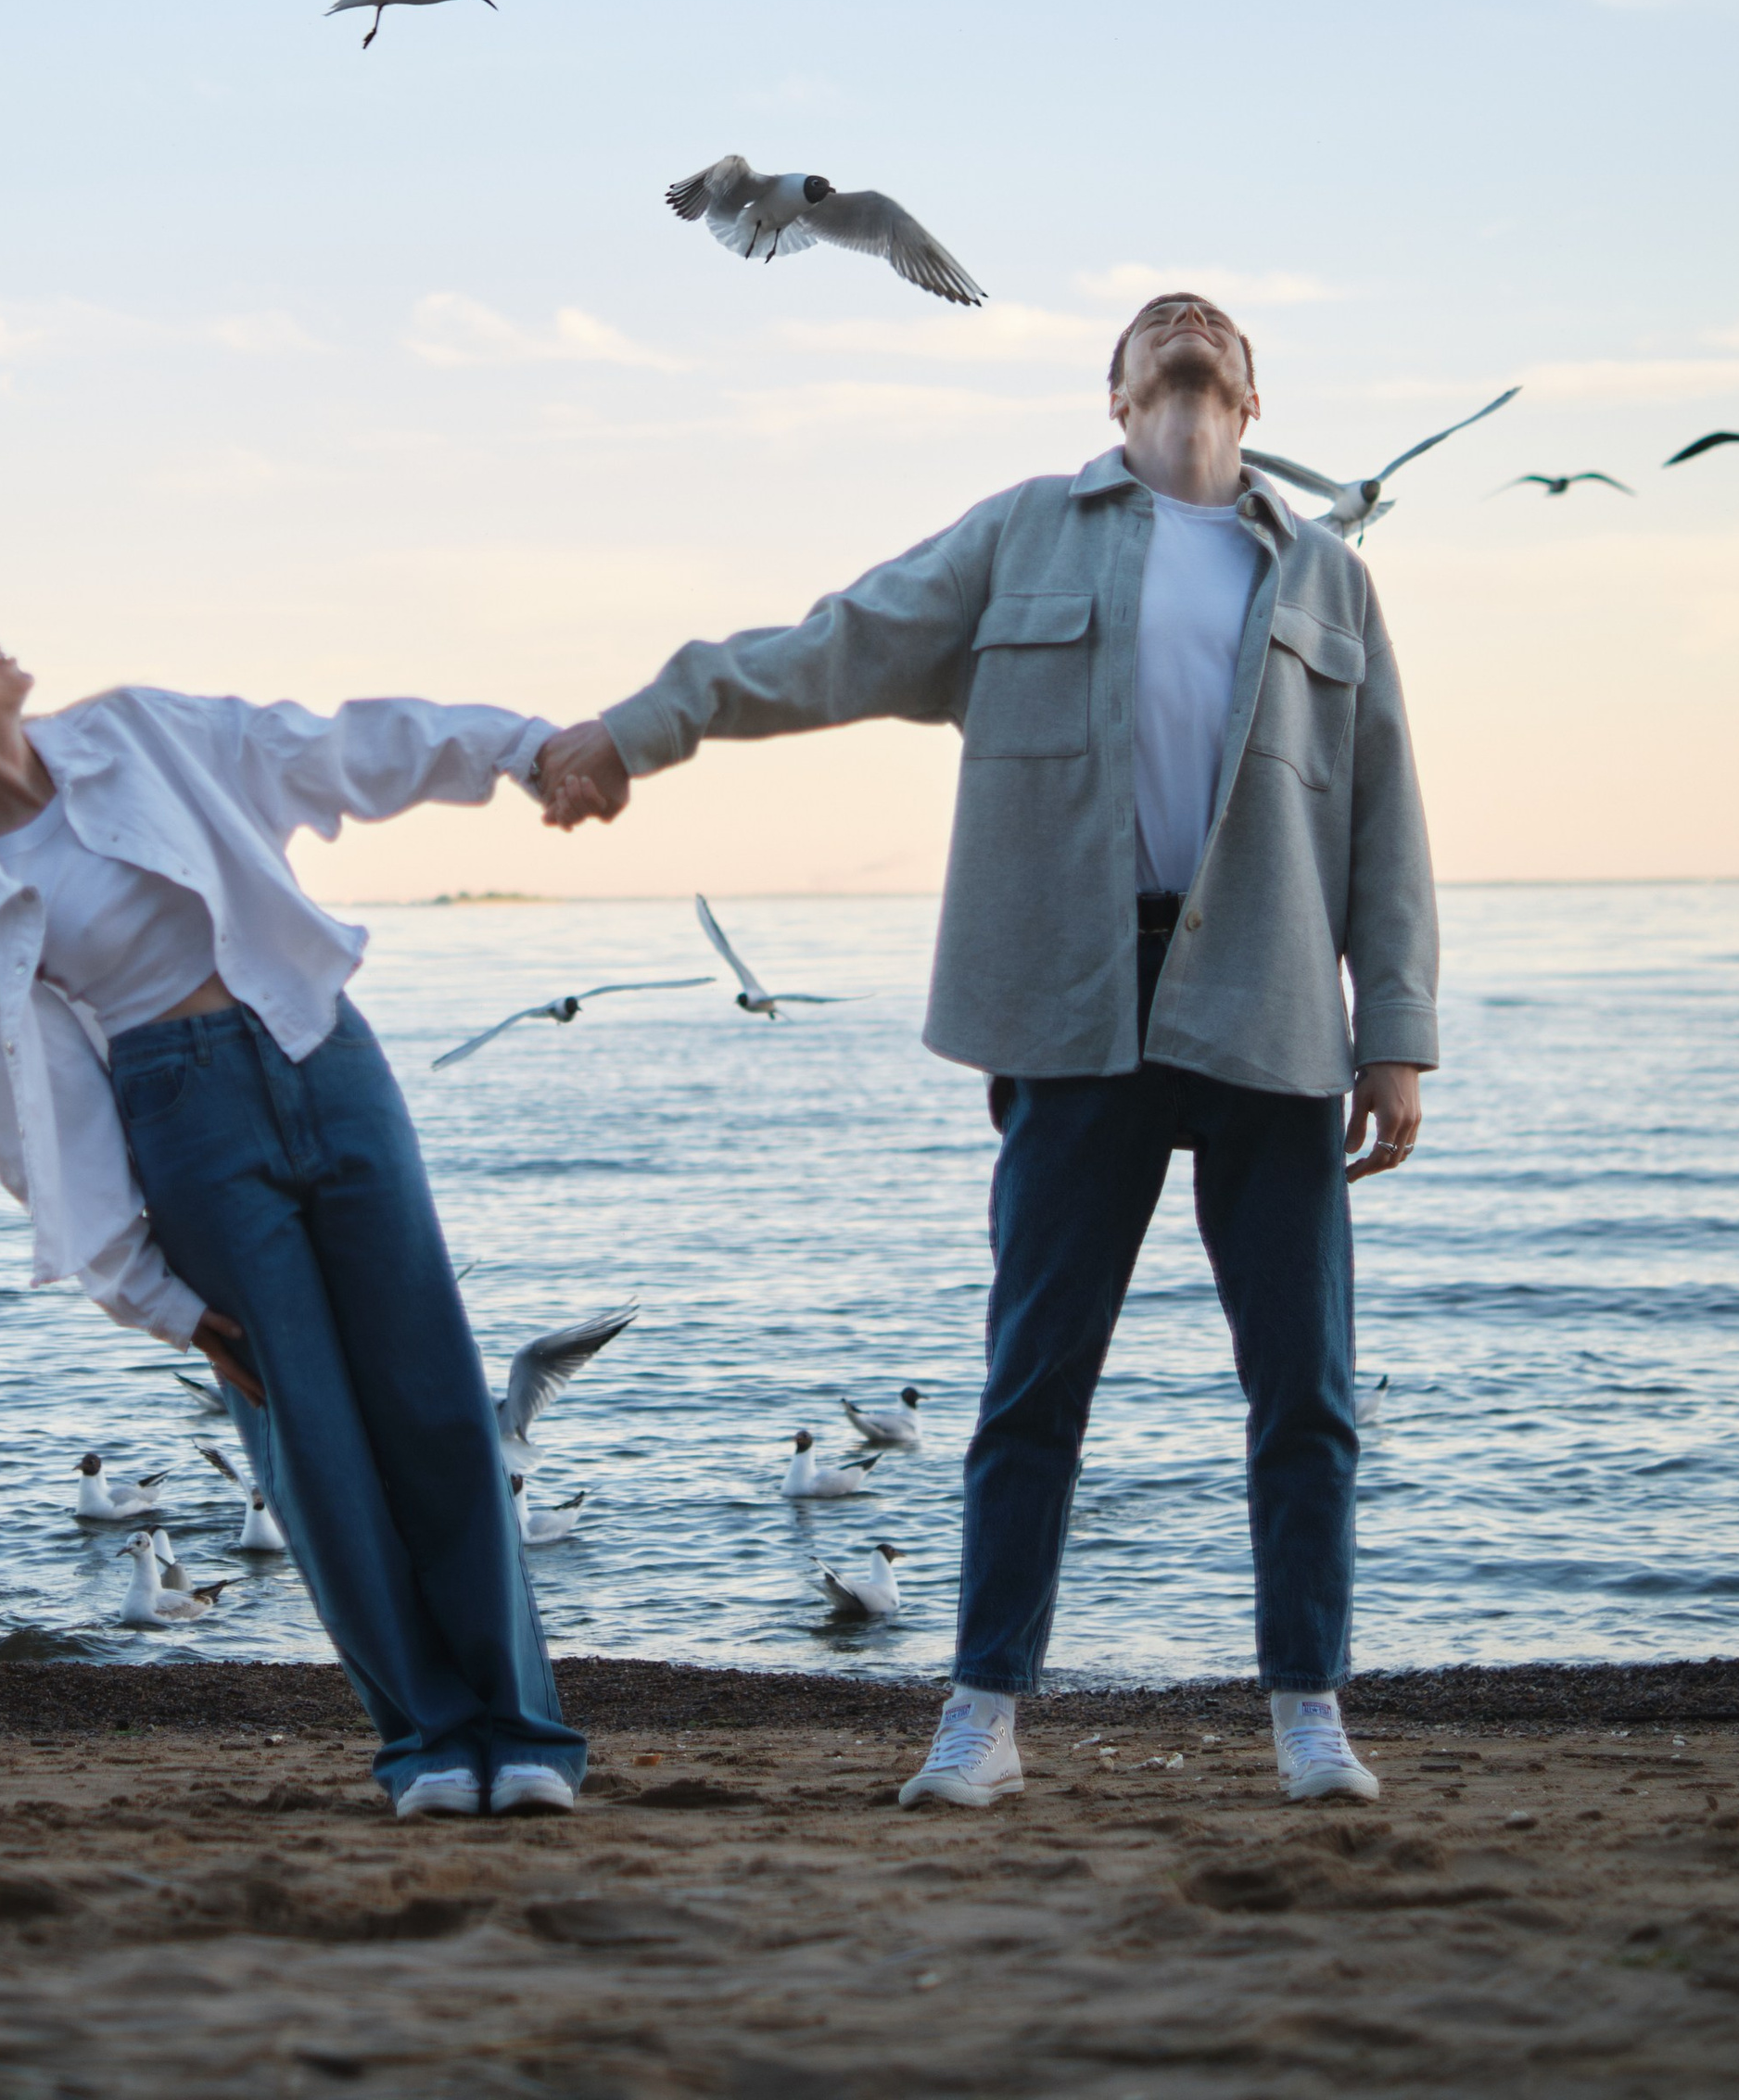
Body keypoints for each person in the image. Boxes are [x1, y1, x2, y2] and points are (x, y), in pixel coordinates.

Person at [535, 294, 1437, 1812]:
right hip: (1072, 1003)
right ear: (1116, 391)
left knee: (1307, 1391)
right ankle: (983, 1711)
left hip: (1272, 1005)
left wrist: (1394, 1035)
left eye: (1211, 326)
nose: (1186, 331)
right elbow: (827, 650)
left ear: (1254, 392)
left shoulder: (1330, 577)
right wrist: (643, 725)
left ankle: (1307, 1709)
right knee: (1035, 1384)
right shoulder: (1024, 537)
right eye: (1157, 328)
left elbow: (1385, 814)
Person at [0, 595, 584, 1820]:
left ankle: (521, 1733)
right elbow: (31, 1118)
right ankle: (429, 1740)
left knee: (432, 1399)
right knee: (309, 1438)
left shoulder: (140, 733)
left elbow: (336, 748)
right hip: (184, 1117)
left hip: (326, 1055)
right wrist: (150, 1295)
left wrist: (519, 745)